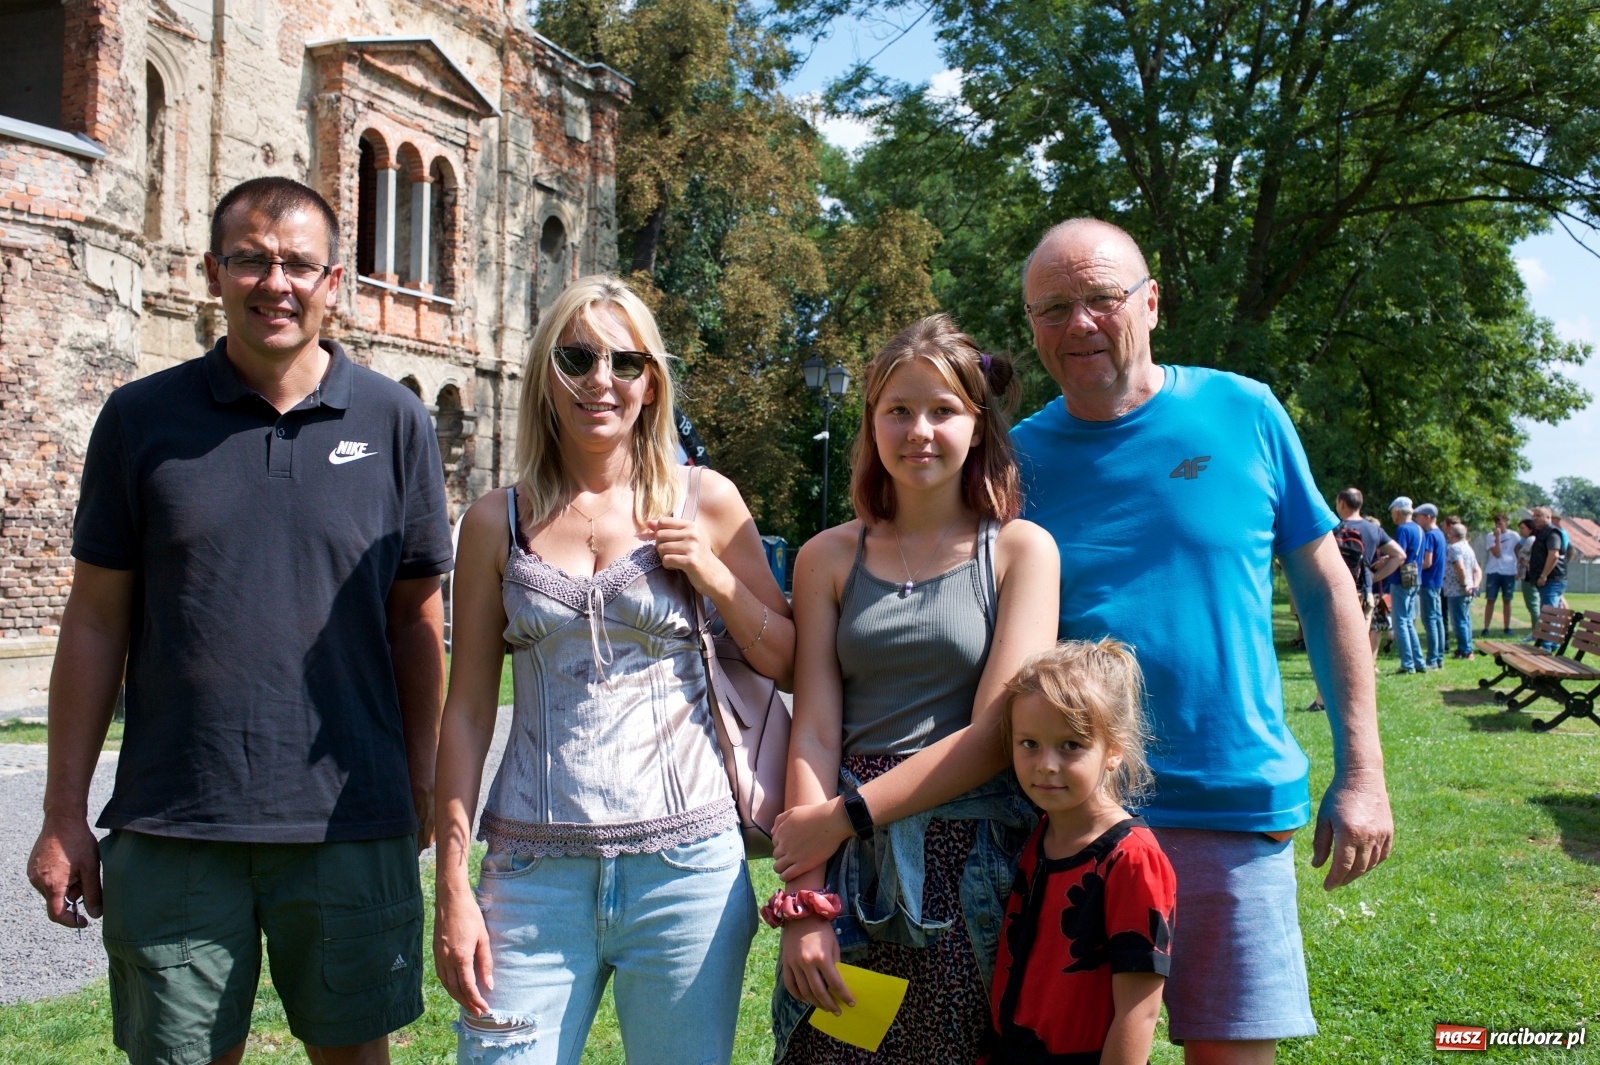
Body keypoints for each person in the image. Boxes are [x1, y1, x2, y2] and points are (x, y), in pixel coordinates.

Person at [26, 177, 453, 1065]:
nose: (276, 282)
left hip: (349, 821)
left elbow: (418, 621)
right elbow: (96, 621)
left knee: (355, 1055)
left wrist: (422, 780)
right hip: (177, 819)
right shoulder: (142, 420)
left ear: (335, 281)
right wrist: (64, 809)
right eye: (252, 259)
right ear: (214, 271)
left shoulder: (394, 419)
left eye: (298, 263)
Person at [1011, 218, 1392, 1064]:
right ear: (1030, 326)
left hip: (1229, 803)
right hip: (1075, 816)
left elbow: (1328, 587)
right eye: (1053, 307)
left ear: (1151, 301)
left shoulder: (1244, 410)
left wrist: (1361, 769)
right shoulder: (1011, 460)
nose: (1078, 323)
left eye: (1101, 298)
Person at [431, 275, 794, 1064]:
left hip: (687, 869)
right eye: (579, 356)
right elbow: (464, 712)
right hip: (531, 874)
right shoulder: (497, 520)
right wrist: (451, 883)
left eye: (627, 361)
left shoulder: (706, 500)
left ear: (651, 382)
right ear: (546, 373)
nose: (603, 378)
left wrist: (719, 577)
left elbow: (787, 657)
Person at [768, 315, 1060, 1064]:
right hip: (848, 871)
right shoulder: (828, 556)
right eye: (898, 409)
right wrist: (804, 901)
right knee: (833, 1047)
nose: (918, 430)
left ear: (977, 422)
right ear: (871, 422)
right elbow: (814, 730)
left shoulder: (1021, 551)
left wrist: (848, 814)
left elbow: (998, 734)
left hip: (969, 864)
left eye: (943, 410)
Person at [984, 640, 1175, 1065]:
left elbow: (1139, 1011)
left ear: (1114, 750)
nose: (1046, 764)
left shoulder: (1131, 858)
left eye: (1070, 745)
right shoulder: (1039, 832)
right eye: (1029, 743)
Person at [1307, 488, 1404, 711]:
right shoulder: (1373, 529)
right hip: (1364, 592)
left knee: (1329, 644)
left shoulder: (1332, 528)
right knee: (1359, 647)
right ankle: (1357, 701)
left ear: (1341, 503)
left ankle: (1322, 699)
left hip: (1335, 593)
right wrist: (1374, 574)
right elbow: (1399, 555)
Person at [1385, 498, 1426, 674]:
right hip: (1415, 578)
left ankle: (1408, 664)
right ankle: (1419, 662)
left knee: (1399, 622)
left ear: (1397, 512)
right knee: (1408, 621)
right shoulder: (1419, 528)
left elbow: (1399, 554)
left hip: (1401, 579)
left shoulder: (1402, 529)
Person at [1527, 506, 1568, 648]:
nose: (1535, 518)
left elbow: (1554, 555)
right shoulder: (1540, 533)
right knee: (1552, 612)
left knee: (1548, 613)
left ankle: (1546, 646)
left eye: (1539, 515)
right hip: (1549, 580)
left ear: (1548, 517)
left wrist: (1544, 575)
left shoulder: (1552, 533)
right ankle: (1554, 644)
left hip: (1552, 580)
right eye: (1534, 515)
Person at [1414, 503, 1447, 670]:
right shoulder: (1440, 534)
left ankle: (1433, 660)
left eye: (1418, 515)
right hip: (1437, 583)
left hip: (1428, 583)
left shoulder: (1430, 536)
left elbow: (1427, 562)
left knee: (1430, 621)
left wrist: (1414, 566)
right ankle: (1438, 658)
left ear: (1428, 517)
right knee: (1437, 620)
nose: (1416, 519)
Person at [1443, 523, 1479, 660]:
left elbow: (1460, 567)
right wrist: (1473, 585)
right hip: (1468, 588)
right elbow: (1476, 569)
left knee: (1459, 621)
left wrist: (1464, 585)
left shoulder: (1454, 548)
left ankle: (1465, 650)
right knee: (1465, 619)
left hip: (1457, 590)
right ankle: (1467, 647)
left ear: (1452, 534)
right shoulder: (1467, 547)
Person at [1482, 513, 1519, 637]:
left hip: (1509, 571)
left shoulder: (1514, 536)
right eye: (1496, 523)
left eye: (1501, 523)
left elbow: (1519, 552)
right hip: (1494, 570)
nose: (1498, 526)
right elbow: (1497, 553)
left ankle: (1507, 627)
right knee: (1490, 599)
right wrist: (1497, 538)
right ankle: (1486, 627)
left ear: (1506, 523)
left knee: (1507, 600)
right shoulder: (1490, 536)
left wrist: (1518, 568)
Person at [1515, 517, 1539, 632]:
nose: (1521, 531)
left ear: (1530, 529)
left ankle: (1537, 630)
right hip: (1527, 574)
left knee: (1533, 604)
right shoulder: (1530, 539)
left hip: (1529, 575)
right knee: (1532, 604)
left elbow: (1522, 554)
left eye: (1523, 528)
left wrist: (1524, 561)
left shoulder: (1531, 539)